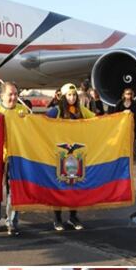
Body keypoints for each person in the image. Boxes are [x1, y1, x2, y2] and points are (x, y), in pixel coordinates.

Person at [46, 83, 95, 232]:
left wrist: (120, 116)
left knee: (74, 184)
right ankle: (57, 218)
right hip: (60, 153)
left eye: (74, 95)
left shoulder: (81, 110)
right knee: (59, 184)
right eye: (69, 95)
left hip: (76, 154)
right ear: (64, 96)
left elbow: (97, 120)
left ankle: (73, 217)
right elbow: (41, 121)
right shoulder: (57, 110)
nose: (72, 98)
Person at [0, 82, 24, 236]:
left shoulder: (23, 111)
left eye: (16, 94)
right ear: (2, 96)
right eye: (10, 94)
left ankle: (12, 222)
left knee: (14, 191)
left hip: (16, 157)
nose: (13, 97)